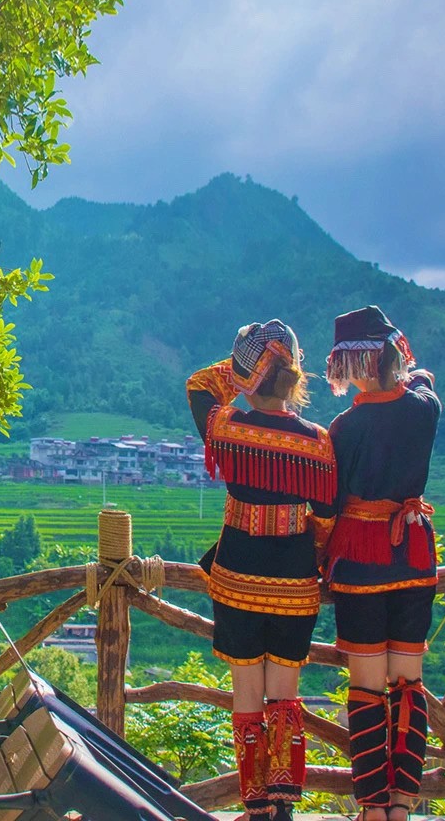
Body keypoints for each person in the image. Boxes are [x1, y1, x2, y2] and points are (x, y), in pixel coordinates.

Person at [186, 320, 337, 820]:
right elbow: (327, 516)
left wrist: (243, 375)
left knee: (246, 696)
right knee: (284, 698)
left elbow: (198, 384)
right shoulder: (316, 442)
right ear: (294, 376)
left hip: (236, 577)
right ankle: (284, 808)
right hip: (295, 583)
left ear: (249, 372)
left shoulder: (227, 428)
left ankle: (254, 809)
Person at [323, 306, 442, 821]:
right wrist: (404, 369)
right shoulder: (425, 408)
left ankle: (371, 809)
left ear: (352, 365)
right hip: (413, 553)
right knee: (408, 685)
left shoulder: (344, 427)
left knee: (366, 688)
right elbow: (423, 379)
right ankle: (402, 806)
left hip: (360, 558)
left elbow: (329, 505)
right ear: (394, 351)